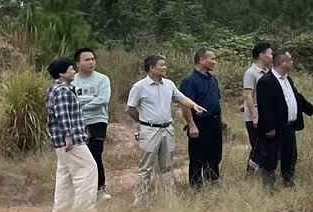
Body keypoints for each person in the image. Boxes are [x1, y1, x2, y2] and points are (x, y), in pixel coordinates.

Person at [126, 54, 209, 201]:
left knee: (167, 165)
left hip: (167, 129)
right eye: (161, 65)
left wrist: (194, 105)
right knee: (146, 166)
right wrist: (144, 122)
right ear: (151, 68)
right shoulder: (139, 87)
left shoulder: (169, 84)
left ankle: (168, 197)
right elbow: (131, 108)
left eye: (165, 64)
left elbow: (181, 98)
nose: (165, 67)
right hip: (149, 130)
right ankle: (141, 198)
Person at [254, 49, 313, 186]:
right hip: (274, 128)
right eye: (290, 60)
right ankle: (268, 187)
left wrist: (312, 110)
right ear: (282, 62)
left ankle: (288, 182)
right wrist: (269, 127)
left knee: (290, 155)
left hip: (289, 125)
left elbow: (297, 98)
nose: (292, 62)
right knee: (271, 158)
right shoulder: (266, 81)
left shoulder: (287, 79)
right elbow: (264, 106)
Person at [46, 57, 97, 212]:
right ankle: (83, 211)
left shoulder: (57, 89)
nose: (74, 71)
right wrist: (69, 136)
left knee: (65, 174)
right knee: (87, 169)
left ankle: (61, 211)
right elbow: (63, 115)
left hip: (63, 140)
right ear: (61, 73)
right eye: (70, 69)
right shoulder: (62, 91)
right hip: (70, 140)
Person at [178, 48, 229, 186]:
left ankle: (212, 182)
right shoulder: (190, 81)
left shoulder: (213, 80)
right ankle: (196, 187)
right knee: (197, 157)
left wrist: (221, 120)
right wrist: (191, 125)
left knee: (215, 155)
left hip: (214, 123)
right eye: (212, 59)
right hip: (199, 124)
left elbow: (215, 101)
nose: (215, 62)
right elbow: (185, 105)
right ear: (201, 60)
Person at [72, 47, 112, 201]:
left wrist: (82, 104)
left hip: (98, 121)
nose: (91, 62)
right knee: (79, 157)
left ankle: (100, 190)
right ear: (78, 63)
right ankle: (81, 191)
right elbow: (71, 101)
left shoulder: (103, 79)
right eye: (87, 60)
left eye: (93, 59)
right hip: (77, 122)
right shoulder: (72, 80)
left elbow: (103, 100)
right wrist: (89, 100)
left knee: (96, 156)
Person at [242, 41, 274, 174]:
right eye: (270, 53)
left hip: (267, 116)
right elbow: (248, 96)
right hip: (255, 117)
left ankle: (264, 172)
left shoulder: (269, 72)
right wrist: (255, 116)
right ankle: (251, 172)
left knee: (267, 146)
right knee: (258, 147)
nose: (272, 56)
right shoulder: (251, 73)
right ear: (261, 55)